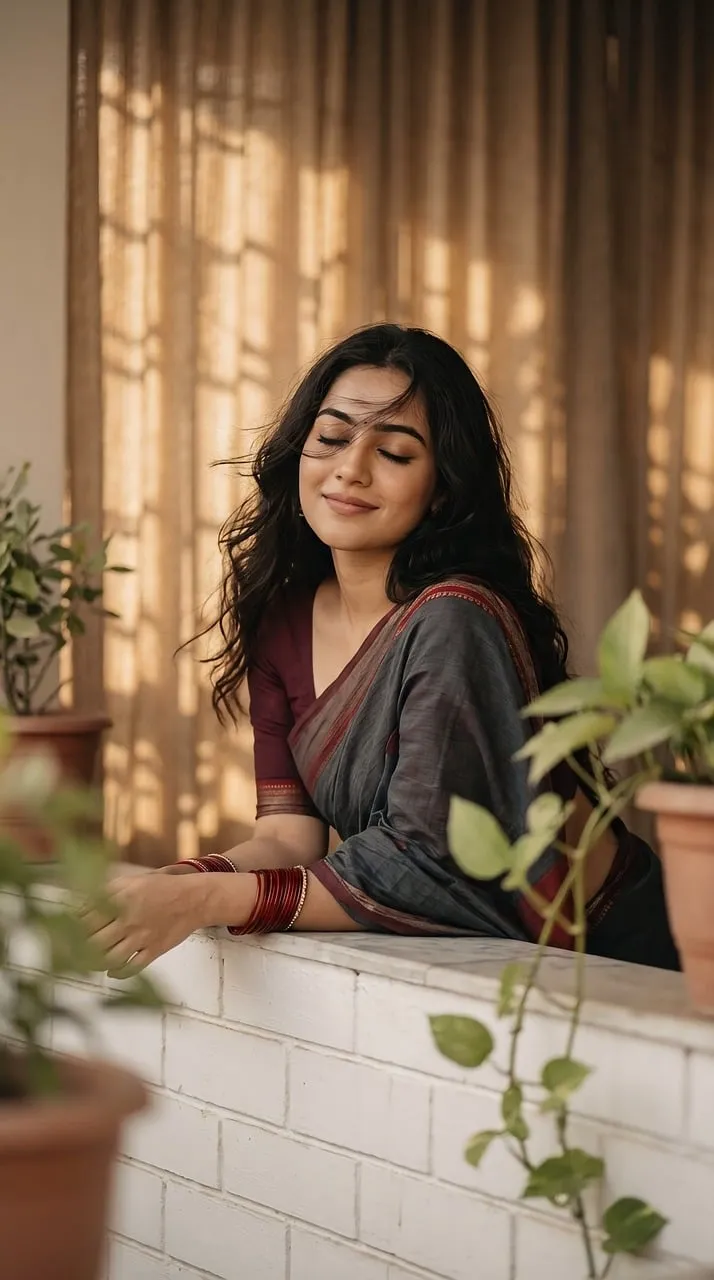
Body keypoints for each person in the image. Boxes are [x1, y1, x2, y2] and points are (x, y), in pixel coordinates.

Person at [87, 325, 679, 973]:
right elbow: (290, 836)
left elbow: (428, 861)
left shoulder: (457, 619)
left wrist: (204, 896)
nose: (351, 467)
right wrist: (173, 883)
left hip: (609, 961)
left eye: (394, 453)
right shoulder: (283, 621)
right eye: (332, 438)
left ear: (443, 489)